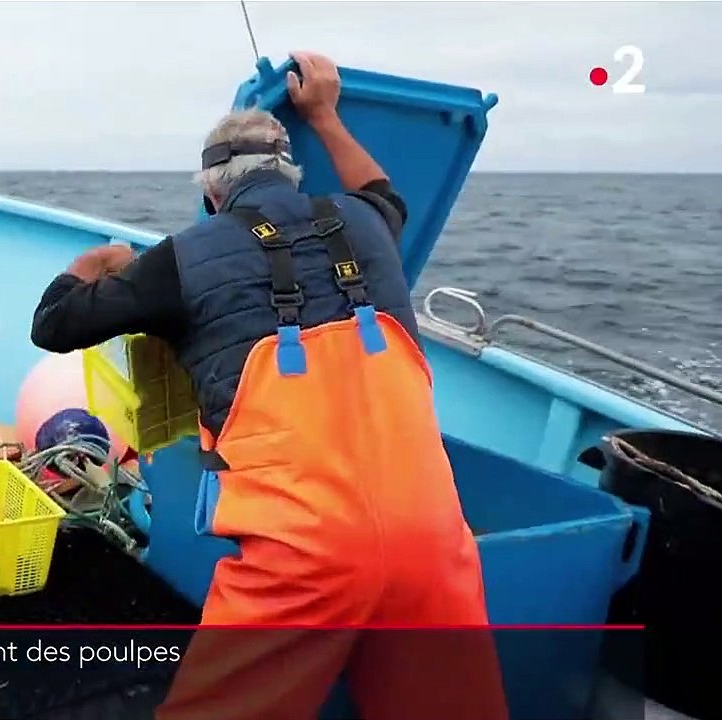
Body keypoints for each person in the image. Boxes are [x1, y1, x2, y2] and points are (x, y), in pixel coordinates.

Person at [30, 51, 508, 719]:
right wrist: (324, 113)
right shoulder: (369, 225)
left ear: (210, 194)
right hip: (433, 539)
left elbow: (53, 325)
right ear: (293, 172)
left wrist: (95, 265)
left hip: (303, 559)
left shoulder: (181, 259)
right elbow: (384, 191)